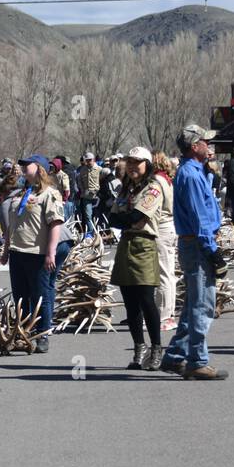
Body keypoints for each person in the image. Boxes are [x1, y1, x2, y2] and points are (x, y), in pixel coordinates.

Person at [160, 124, 227, 380]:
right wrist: (213, 252)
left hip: (195, 243)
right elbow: (200, 219)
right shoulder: (191, 175)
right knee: (202, 305)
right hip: (198, 244)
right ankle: (197, 360)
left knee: (192, 305)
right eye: (204, 142)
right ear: (194, 146)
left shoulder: (195, 172)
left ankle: (176, 355)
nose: (208, 146)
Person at [0, 154, 64, 354]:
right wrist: (7, 249)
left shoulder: (49, 193)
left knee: (39, 295)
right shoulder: (21, 193)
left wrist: (51, 252)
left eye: (28, 165)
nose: (23, 167)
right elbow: (12, 224)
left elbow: (55, 224)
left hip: (37, 252)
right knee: (20, 296)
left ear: (40, 168)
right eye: (23, 164)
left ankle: (42, 334)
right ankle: (25, 332)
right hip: (18, 252)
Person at [107, 146, 166, 370]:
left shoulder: (153, 189)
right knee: (130, 304)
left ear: (147, 165)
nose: (132, 166)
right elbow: (112, 218)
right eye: (129, 162)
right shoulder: (125, 190)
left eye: (137, 162)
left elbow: (137, 217)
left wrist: (126, 219)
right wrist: (126, 220)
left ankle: (157, 348)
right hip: (125, 245)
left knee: (146, 301)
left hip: (143, 245)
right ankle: (138, 348)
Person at [151, 151, 178, 332]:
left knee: (163, 274)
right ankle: (169, 313)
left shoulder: (156, 181)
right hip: (170, 226)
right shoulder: (167, 179)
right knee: (168, 273)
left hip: (161, 227)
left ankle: (163, 316)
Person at [75, 152, 101, 235]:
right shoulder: (83, 170)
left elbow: (103, 181)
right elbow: (79, 181)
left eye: (90, 160)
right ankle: (91, 233)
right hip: (86, 196)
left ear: (93, 160)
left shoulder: (99, 169)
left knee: (97, 216)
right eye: (87, 160)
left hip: (97, 196)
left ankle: (99, 232)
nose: (88, 162)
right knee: (88, 216)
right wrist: (82, 190)